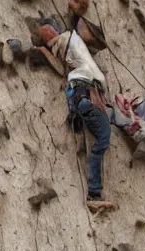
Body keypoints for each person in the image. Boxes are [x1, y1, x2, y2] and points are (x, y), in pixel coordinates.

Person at [38, 24, 113, 211]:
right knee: (103, 138)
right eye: (51, 32)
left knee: (94, 132)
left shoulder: (67, 50)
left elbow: (61, 68)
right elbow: (68, 38)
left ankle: (79, 128)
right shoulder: (68, 39)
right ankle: (94, 193)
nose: (55, 32)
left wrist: (43, 50)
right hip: (86, 94)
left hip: (77, 97)